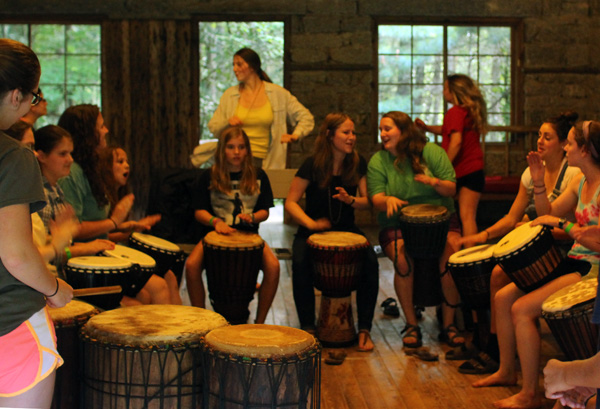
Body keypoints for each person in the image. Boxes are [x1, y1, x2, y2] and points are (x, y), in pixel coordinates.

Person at [473, 120, 600, 409]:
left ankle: (529, 394)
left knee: (522, 308)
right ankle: (507, 371)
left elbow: (583, 234)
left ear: (585, 149)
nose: (566, 148)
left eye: (569, 143)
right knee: (505, 297)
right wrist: (539, 182)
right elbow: (548, 213)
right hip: (574, 261)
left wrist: (566, 226)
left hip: (591, 270)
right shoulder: (580, 181)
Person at [457, 111, 580, 374]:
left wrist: (533, 227)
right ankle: (493, 345)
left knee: (500, 275)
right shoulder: (531, 173)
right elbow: (512, 217)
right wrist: (482, 236)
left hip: (561, 251)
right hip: (538, 249)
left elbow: (569, 227)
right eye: (539, 135)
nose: (540, 140)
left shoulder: (573, 175)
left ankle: (493, 348)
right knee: (496, 272)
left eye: (548, 137)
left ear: (562, 144)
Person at [0, 38, 73, 409]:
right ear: (15, 95)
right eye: (34, 96)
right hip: (10, 323)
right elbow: (15, 255)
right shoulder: (14, 157)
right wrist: (56, 289)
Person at [367, 110, 463, 349]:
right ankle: (411, 324)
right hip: (397, 222)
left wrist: (434, 182)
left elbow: (451, 189)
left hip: (441, 219)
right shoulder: (379, 161)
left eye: (387, 128)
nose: (383, 134)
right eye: (381, 130)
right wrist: (386, 200)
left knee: (450, 262)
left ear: (404, 131)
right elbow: (375, 198)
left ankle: (449, 325)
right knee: (402, 262)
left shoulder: (432, 152)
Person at [285, 113, 379, 352]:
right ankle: (308, 326)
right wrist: (311, 224)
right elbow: (291, 202)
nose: (351, 137)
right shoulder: (312, 164)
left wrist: (351, 200)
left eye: (353, 133)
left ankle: (365, 328)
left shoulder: (358, 163)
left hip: (347, 229)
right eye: (346, 132)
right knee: (300, 261)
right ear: (329, 135)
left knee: (370, 261)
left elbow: (367, 201)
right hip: (311, 230)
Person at [186, 126, 280, 323]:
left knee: (273, 267)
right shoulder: (209, 176)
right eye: (231, 147)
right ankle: (200, 319)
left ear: (247, 150)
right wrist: (215, 221)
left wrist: (253, 217)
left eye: (241, 147)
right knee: (192, 265)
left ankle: (260, 322)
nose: (236, 152)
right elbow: (198, 211)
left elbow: (265, 211)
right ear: (222, 150)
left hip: (250, 237)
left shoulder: (258, 175)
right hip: (215, 236)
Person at [57, 104, 156, 241]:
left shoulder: (89, 168)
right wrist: (113, 222)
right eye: (101, 126)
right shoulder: (72, 173)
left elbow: (94, 225)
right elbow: (71, 229)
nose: (106, 131)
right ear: (88, 133)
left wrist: (119, 227)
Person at [98, 145, 181, 305]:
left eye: (127, 161)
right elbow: (106, 236)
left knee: (169, 276)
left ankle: (184, 326)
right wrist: (132, 230)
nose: (127, 165)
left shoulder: (120, 195)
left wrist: (133, 228)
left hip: (120, 255)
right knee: (159, 286)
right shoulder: (101, 197)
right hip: (108, 260)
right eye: (120, 161)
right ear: (105, 167)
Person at [208, 47, 314, 169]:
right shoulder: (230, 95)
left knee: (264, 186)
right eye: (233, 65)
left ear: (252, 66)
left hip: (266, 160)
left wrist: (295, 135)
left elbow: (306, 118)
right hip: (236, 160)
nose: (235, 69)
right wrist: (227, 122)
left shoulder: (278, 93)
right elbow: (213, 127)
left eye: (239, 64)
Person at [416, 74, 487, 240]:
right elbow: (447, 129)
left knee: (466, 216)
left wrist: (444, 165)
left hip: (464, 169)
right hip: (475, 170)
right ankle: (468, 256)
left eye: (445, 88)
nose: (443, 92)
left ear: (453, 91)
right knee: (468, 216)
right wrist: (427, 128)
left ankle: (467, 256)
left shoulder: (455, 111)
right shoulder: (466, 111)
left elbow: (456, 141)